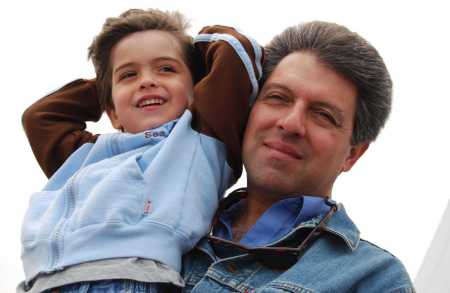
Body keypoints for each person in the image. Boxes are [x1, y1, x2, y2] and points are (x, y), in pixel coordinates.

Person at [23, 20, 416, 293]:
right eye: (277, 98)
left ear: (353, 154)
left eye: (323, 115)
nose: (291, 123)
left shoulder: (371, 279)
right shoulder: (155, 214)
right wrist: (130, 78)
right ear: (248, 109)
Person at [19, 8, 262, 293]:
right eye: (130, 75)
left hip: (129, 280)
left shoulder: (200, 140)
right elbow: (39, 117)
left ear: (197, 90)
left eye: (166, 69)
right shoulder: (87, 154)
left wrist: (187, 51)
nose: (147, 80)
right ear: (112, 112)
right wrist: (108, 80)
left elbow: (235, 52)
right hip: (43, 283)